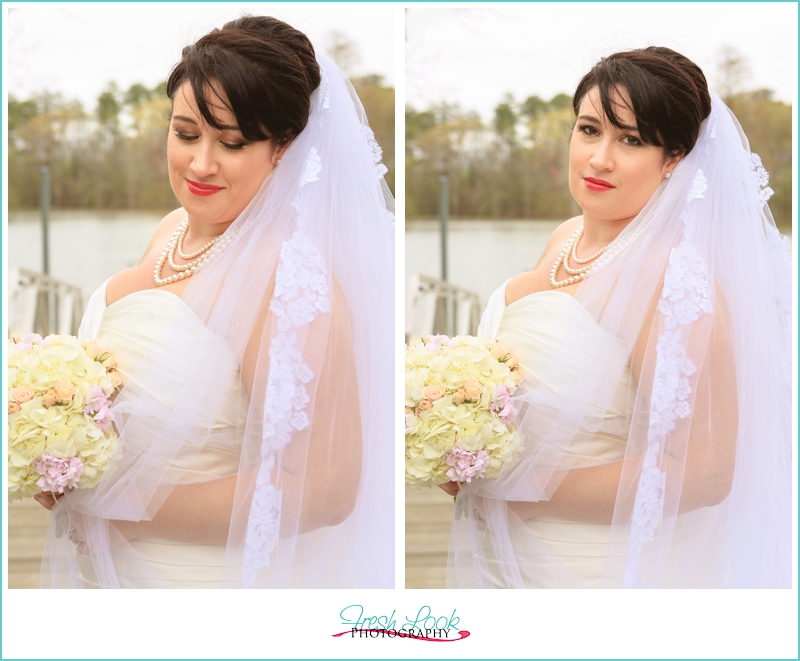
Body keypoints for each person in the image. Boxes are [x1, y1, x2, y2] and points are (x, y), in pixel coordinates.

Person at [35, 15, 395, 588]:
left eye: (231, 142)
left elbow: (325, 487)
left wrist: (119, 501)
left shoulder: (290, 279)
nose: (201, 164)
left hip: (199, 582)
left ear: (283, 149)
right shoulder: (171, 229)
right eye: (185, 134)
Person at [443, 47, 791, 588]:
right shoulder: (564, 238)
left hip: (591, 568)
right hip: (508, 557)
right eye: (588, 130)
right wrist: (461, 449)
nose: (599, 158)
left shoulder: (673, 278)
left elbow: (704, 470)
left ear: (674, 158)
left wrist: (533, 491)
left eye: (630, 140)